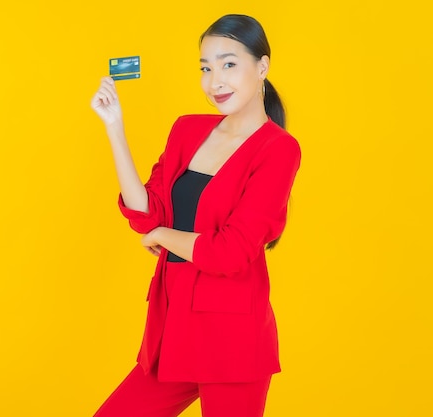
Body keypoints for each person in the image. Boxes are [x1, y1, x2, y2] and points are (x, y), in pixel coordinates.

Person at [90, 14, 301, 417]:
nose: (214, 80)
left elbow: (229, 252)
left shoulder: (278, 149)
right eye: (205, 68)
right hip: (172, 333)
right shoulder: (187, 130)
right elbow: (145, 214)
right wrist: (114, 127)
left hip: (233, 346)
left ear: (262, 67)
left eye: (228, 64)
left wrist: (162, 236)